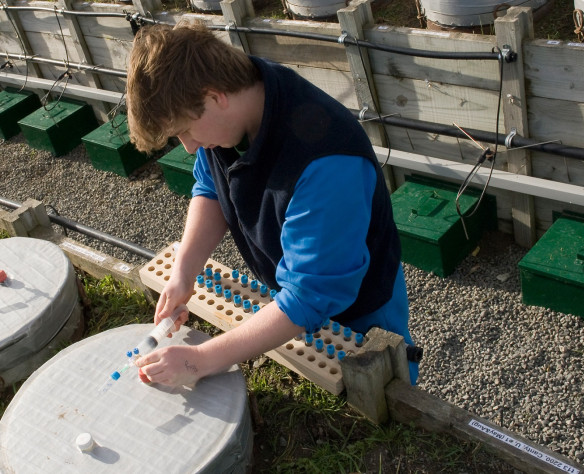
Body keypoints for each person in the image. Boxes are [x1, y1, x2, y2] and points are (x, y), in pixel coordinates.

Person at [126, 21, 418, 388]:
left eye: (185, 130)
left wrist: (201, 360)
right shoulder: (235, 102)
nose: (188, 146)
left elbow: (309, 296)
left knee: (385, 391)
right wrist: (184, 272)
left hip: (363, 309)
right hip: (300, 291)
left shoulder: (327, 163)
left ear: (216, 97)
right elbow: (211, 186)